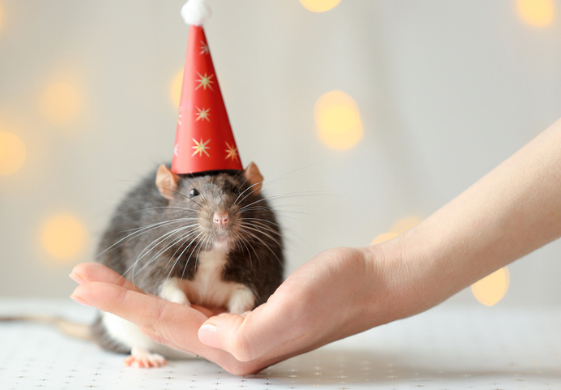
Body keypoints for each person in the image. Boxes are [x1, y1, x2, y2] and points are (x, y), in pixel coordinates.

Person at [70, 120, 561, 375]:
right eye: (199, 196)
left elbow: (255, 284)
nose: (221, 213)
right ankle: (136, 343)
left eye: (233, 196)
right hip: (148, 336)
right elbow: (151, 274)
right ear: (169, 187)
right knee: (125, 312)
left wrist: (375, 278)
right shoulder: (153, 234)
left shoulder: (258, 227)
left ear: (252, 183)